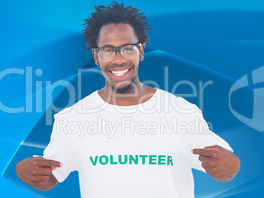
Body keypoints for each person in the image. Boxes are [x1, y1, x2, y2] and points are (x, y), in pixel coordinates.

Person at [16, 2, 240, 197]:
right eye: (107, 51)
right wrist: (25, 171)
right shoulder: (71, 119)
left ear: (141, 51)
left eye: (128, 49)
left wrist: (232, 166)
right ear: (96, 56)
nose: (118, 60)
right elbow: (50, 178)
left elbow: (223, 171)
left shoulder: (182, 111)